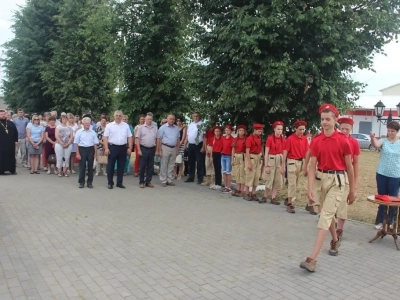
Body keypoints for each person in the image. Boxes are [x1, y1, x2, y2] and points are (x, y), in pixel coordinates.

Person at [300, 104, 354, 272]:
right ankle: (335, 239)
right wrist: (309, 189)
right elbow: (311, 166)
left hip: (338, 181)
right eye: (322, 119)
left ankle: (312, 259)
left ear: (335, 120)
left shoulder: (343, 141)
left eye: (328, 119)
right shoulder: (317, 140)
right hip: (321, 179)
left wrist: (352, 190)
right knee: (327, 215)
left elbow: (350, 167)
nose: (324, 122)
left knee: (325, 215)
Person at [370, 121, 400, 230]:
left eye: (393, 131)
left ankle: (391, 221)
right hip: (382, 173)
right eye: (389, 130)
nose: (390, 133)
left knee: (393, 199)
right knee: (382, 198)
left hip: (395, 175)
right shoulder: (383, 141)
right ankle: (380, 221)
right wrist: (372, 138)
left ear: (397, 132)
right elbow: (376, 145)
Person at [336, 117, 360, 241]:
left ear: (351, 129)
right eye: (342, 128)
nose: (344, 131)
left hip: (346, 174)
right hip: (334, 174)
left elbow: (355, 163)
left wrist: (354, 184)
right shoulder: (334, 140)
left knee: (343, 203)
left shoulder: (354, 142)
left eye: (347, 129)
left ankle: (339, 228)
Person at [281, 120, 308, 213]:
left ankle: (288, 199)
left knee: (296, 184)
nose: (302, 131)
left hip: (301, 162)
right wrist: (283, 165)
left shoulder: (304, 139)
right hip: (292, 161)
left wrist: (306, 165)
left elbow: (306, 152)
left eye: (303, 129)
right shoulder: (290, 139)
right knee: (292, 183)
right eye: (300, 129)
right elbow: (285, 152)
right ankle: (290, 204)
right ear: (295, 129)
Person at [103, 110, 133, 189]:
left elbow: (129, 137)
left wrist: (130, 147)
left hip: (123, 147)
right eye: (117, 115)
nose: (118, 117)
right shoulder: (109, 125)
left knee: (121, 166)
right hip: (112, 147)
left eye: (120, 116)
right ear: (114, 116)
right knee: (111, 166)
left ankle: (119, 183)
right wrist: (106, 148)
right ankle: (110, 183)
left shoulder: (126, 126)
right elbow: (105, 137)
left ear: (122, 117)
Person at [261, 121, 285, 204]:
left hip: (279, 159)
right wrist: (266, 165)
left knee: (277, 179)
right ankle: (265, 196)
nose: (279, 131)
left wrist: (283, 165)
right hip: (271, 158)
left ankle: (273, 197)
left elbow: (284, 152)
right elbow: (266, 152)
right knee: (269, 179)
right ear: (274, 129)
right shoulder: (270, 138)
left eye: (281, 129)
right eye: (278, 129)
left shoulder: (283, 139)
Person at [74, 117, 99, 188]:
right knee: (82, 166)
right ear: (83, 124)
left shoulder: (93, 132)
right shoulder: (79, 132)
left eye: (88, 123)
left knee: (91, 167)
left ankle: (89, 182)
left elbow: (95, 144)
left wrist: (95, 154)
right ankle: (81, 182)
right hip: (82, 149)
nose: (87, 125)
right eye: (86, 123)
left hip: (91, 149)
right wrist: (77, 153)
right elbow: (76, 143)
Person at [157, 114, 180, 187]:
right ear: (167, 119)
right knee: (164, 164)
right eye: (170, 119)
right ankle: (163, 180)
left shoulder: (176, 128)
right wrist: (159, 150)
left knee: (171, 165)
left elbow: (178, 139)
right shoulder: (162, 128)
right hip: (165, 147)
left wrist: (177, 149)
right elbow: (159, 139)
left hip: (173, 148)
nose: (172, 120)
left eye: (173, 119)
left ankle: (169, 180)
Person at [243, 124, 263, 201]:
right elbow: (247, 151)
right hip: (252, 157)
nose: (260, 133)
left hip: (258, 157)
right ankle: (247, 193)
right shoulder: (249, 138)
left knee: (256, 176)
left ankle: (253, 193)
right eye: (258, 131)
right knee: (249, 175)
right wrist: (249, 162)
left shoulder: (259, 138)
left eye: (261, 131)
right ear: (254, 130)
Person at [136, 115, 157, 188]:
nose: (149, 120)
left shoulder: (155, 128)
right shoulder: (141, 128)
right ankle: (141, 182)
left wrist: (156, 149)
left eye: (151, 119)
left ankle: (148, 181)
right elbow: (137, 139)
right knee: (142, 166)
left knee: (150, 166)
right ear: (145, 120)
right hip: (143, 148)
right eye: (148, 119)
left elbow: (157, 139)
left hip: (152, 148)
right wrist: (138, 149)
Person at [185, 112, 206, 184]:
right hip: (191, 144)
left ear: (199, 117)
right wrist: (185, 144)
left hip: (198, 145)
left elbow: (204, 137)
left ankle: (200, 178)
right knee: (191, 161)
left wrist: (203, 147)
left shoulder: (202, 124)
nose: (195, 117)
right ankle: (191, 177)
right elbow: (188, 135)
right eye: (194, 116)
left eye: (197, 116)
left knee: (199, 162)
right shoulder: (190, 124)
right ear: (192, 117)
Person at [0, 109, 18, 175]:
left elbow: (15, 132)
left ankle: (12, 169)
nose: (3, 116)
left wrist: (16, 140)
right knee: (1, 156)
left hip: (10, 143)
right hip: (1, 143)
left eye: (4, 114)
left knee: (11, 156)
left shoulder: (11, 123)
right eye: (1, 114)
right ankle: (1, 170)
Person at [231, 125, 247, 196]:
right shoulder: (235, 139)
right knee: (237, 172)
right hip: (236, 155)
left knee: (242, 172)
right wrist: (232, 159)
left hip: (243, 155)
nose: (241, 132)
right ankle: (238, 188)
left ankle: (242, 189)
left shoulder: (246, 139)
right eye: (240, 130)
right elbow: (233, 149)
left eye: (242, 131)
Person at [221, 125, 235, 193]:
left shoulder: (232, 139)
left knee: (228, 172)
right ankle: (225, 186)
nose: (227, 131)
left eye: (229, 130)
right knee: (224, 171)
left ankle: (229, 187)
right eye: (226, 130)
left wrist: (232, 159)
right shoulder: (223, 138)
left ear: (231, 131)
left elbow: (233, 149)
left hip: (229, 156)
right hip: (223, 155)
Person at [209, 126, 223, 190]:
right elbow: (211, 148)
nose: (217, 133)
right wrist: (211, 157)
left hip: (220, 154)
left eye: (218, 131)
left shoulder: (222, 139)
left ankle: (219, 184)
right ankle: (216, 183)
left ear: (220, 132)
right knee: (215, 169)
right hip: (214, 154)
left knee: (219, 169)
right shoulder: (213, 139)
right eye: (215, 131)